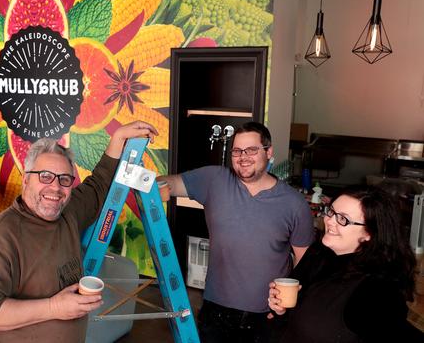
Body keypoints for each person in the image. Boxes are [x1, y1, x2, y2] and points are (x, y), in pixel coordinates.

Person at [0, 121, 158, 343]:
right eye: (45, 176)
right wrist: (53, 308)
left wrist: (117, 138)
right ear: (26, 180)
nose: (55, 188)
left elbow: (98, 185)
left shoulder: (68, 213)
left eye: (64, 179)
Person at [160, 121, 314, 343]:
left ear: (268, 152)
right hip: (215, 309)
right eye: (237, 151)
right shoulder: (214, 180)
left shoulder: (294, 203)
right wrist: (154, 184)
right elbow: (171, 183)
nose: (243, 157)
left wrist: (287, 308)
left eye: (252, 150)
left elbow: (305, 262)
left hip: (266, 315)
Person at [267, 185, 422, 343]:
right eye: (331, 211)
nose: (329, 221)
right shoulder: (319, 252)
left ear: (369, 233)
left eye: (343, 219)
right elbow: (292, 315)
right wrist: (280, 309)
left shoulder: (377, 290)